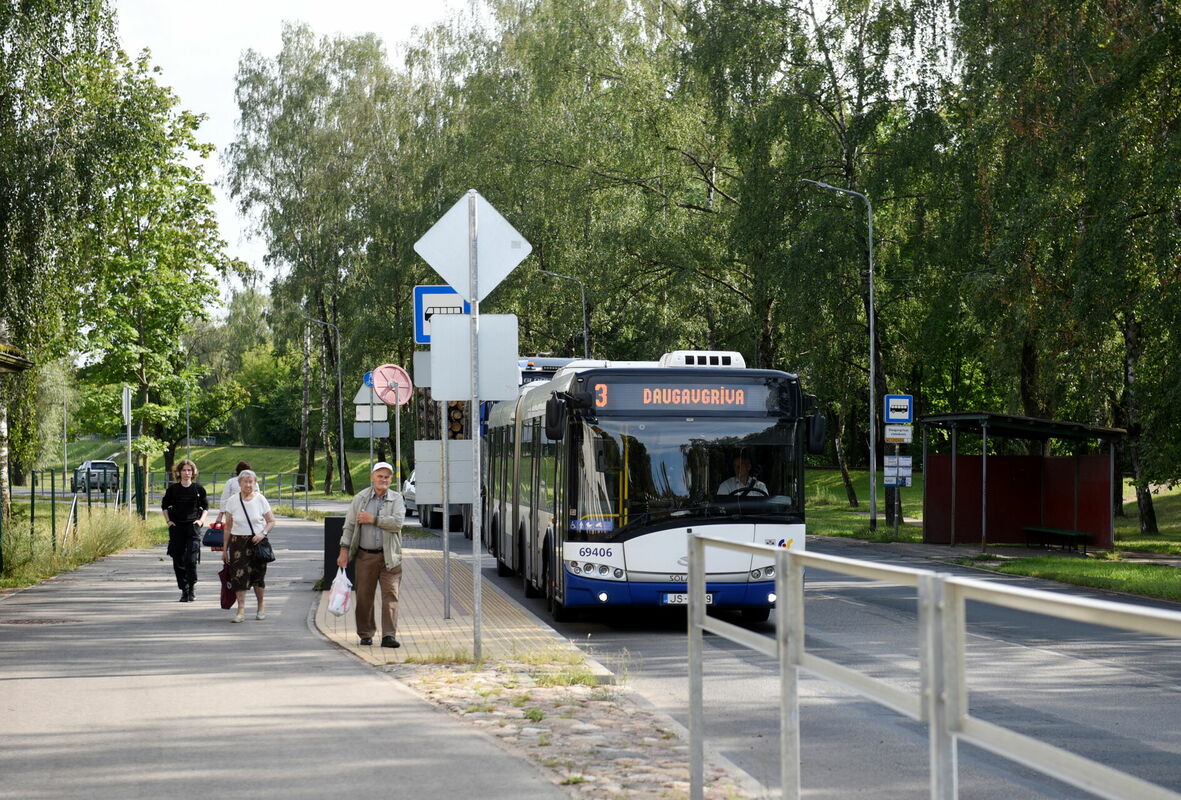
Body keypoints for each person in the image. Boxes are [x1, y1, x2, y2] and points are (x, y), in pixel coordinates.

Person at [337, 461, 406, 648]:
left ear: (391, 479)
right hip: (365, 556)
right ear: (372, 477)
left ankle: (389, 636)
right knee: (364, 597)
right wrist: (344, 551)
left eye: (387, 477)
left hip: (390, 557)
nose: (383, 480)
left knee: (391, 596)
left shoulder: (397, 498)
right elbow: (349, 526)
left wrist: (373, 519)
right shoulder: (360, 499)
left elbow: (398, 523)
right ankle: (365, 634)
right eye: (380, 476)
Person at [221, 469, 276, 623]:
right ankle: (241, 611)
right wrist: (224, 549)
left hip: (257, 542)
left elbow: (271, 521)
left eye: (251, 481)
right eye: (245, 481)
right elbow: (228, 527)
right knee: (239, 577)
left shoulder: (260, 499)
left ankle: (261, 607)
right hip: (237, 543)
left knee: (258, 576)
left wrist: (263, 533)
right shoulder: (232, 501)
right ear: (239, 484)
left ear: (255, 483)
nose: (248, 484)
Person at [161, 459, 208, 602]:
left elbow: (205, 508)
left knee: (191, 559)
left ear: (193, 473)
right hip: (177, 527)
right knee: (178, 559)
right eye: (184, 470)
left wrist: (200, 521)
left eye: (189, 470)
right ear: (179, 472)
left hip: (192, 527)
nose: (187, 473)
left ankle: (192, 587)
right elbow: (164, 506)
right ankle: (184, 589)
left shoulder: (199, 489)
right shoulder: (173, 489)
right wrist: (169, 521)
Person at [213, 460, 252, 528]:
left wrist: (220, 515)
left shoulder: (231, 482)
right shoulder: (252, 483)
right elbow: (225, 499)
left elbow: (224, 499)